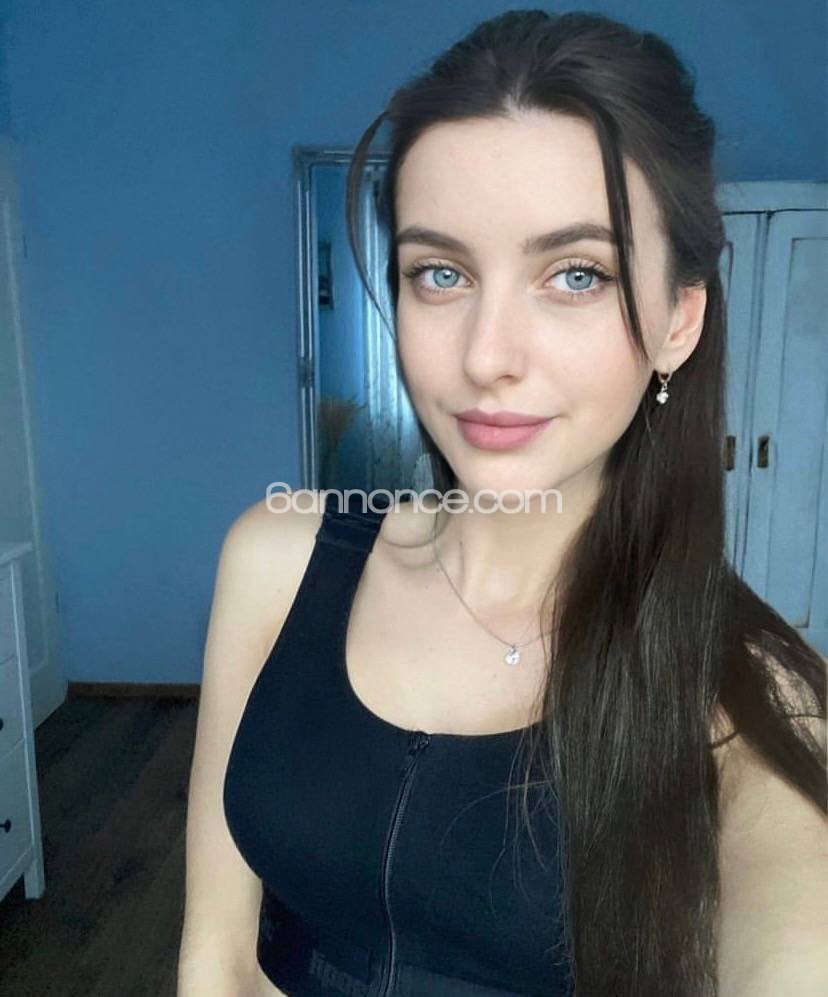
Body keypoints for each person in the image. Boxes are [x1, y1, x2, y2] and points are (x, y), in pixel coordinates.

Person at [178, 9, 828, 997]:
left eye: (576, 274)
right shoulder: (276, 558)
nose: (486, 356)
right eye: (439, 272)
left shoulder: (754, 703)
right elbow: (215, 956)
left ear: (679, 319)